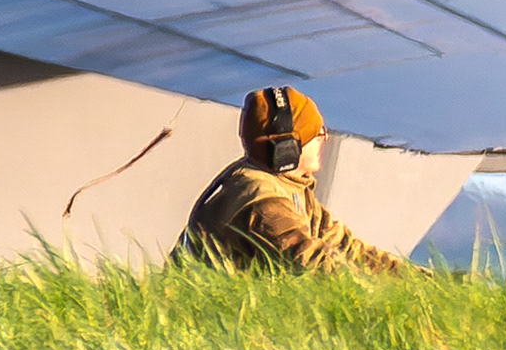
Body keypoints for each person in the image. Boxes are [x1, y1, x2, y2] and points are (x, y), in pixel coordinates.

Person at [176, 86, 410, 274]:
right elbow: (309, 262)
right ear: (287, 149)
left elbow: (347, 247)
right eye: (317, 133)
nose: (325, 139)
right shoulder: (263, 200)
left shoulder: (291, 186)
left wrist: (419, 279)